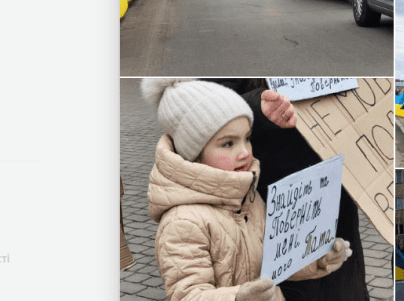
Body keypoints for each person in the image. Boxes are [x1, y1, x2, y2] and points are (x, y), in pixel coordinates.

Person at [143, 79, 352, 301]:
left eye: (247, 138)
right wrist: (238, 298)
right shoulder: (182, 222)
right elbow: (187, 295)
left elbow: (273, 262)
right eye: (228, 144)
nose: (244, 152)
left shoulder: (248, 197)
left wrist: (317, 258)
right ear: (194, 152)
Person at [201, 79, 371, 301]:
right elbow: (205, 106)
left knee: (339, 280)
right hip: (274, 195)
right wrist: (258, 109)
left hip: (333, 185)